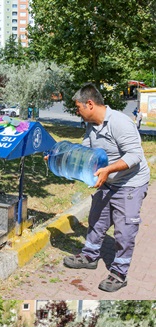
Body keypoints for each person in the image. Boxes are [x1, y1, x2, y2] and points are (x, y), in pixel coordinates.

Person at [59, 84, 150, 292]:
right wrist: (61, 158)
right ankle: (90, 256)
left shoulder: (119, 123)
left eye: (78, 107)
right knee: (97, 219)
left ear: (90, 104)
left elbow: (135, 156)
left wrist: (108, 170)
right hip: (108, 180)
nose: (76, 111)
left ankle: (119, 272)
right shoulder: (91, 125)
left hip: (130, 183)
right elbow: (85, 151)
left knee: (125, 231)